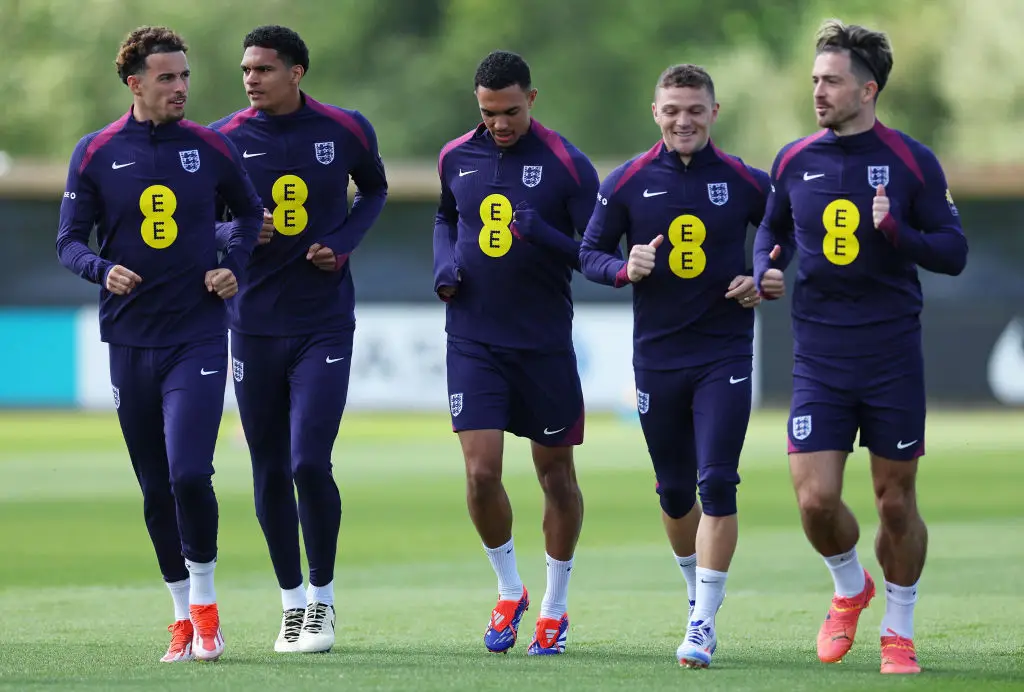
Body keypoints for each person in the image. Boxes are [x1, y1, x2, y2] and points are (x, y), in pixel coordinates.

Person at [753, 19, 968, 675]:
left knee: (895, 501)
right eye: (815, 79)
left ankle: (898, 629)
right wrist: (767, 266)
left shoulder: (912, 161)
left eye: (832, 80)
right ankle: (850, 586)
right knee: (815, 501)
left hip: (890, 354)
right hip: (819, 354)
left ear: (867, 89)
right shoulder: (793, 159)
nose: (818, 90)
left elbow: (953, 253)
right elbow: (771, 231)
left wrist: (896, 231)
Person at [55, 26, 263, 663]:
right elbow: (69, 241)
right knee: (153, 488)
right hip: (129, 339)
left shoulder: (212, 146)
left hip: (197, 334)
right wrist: (101, 269)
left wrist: (232, 263)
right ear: (135, 83)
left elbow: (249, 217)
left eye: (184, 76)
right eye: (167, 77)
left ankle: (206, 606)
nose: (180, 88)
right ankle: (179, 614)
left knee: (189, 474)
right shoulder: (94, 152)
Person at [579, 64, 767, 668]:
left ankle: (704, 623)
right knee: (674, 489)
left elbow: (787, 232)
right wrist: (621, 267)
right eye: (672, 110)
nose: (683, 120)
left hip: (724, 352)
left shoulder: (745, 180)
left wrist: (764, 272)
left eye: (695, 109)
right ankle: (696, 599)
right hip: (658, 356)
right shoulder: (628, 180)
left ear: (715, 112)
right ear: (655, 113)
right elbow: (587, 251)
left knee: (717, 481)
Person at [210, 25, 388, 654]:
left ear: (296, 72)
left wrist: (340, 244)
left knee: (308, 460)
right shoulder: (224, 140)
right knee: (267, 465)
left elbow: (375, 189)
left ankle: (323, 598)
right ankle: (290, 603)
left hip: (323, 322)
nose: (251, 78)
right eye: (245, 69)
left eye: (262, 68)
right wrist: (231, 232)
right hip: (252, 324)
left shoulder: (345, 128)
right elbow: (195, 214)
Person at [432, 50, 602, 656]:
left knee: (556, 475)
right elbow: (446, 217)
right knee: (480, 474)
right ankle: (511, 589)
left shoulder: (568, 165)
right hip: (473, 338)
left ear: (533, 98)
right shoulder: (457, 155)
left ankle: (555, 606)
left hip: (544, 345)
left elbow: (594, 252)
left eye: (509, 111)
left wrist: (545, 234)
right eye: (487, 112)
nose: (498, 124)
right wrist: (444, 266)